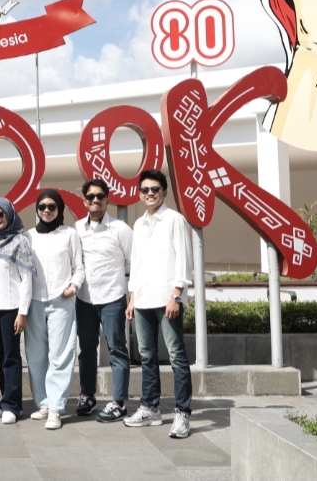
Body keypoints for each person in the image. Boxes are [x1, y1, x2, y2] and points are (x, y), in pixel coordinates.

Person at [125, 169, 194, 439]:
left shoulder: (175, 219)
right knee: (146, 356)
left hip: (167, 299)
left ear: (164, 192)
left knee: (176, 356)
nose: (150, 193)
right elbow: (136, 263)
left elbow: (184, 259)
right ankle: (150, 407)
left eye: (155, 189)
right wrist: (132, 298)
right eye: (145, 190)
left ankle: (182, 413)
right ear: (140, 194)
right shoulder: (138, 224)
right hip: (142, 299)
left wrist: (176, 294)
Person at [74, 178, 133, 422]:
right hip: (84, 299)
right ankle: (87, 395)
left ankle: (118, 403)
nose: (95, 200)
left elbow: (134, 264)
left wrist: (132, 297)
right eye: (91, 197)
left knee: (117, 349)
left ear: (107, 200)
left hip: (113, 298)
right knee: (86, 350)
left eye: (100, 196)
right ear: (85, 201)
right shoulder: (77, 229)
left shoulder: (120, 229)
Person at [25, 189, 84, 430]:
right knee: (36, 355)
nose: (46, 210)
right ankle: (44, 403)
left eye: (51, 206)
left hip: (61, 301)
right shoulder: (28, 236)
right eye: (42, 207)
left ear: (59, 208)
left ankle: (56, 408)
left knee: (60, 355)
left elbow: (79, 268)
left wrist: (73, 287)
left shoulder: (69, 234)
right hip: (34, 301)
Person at [0, 197, 33, 425]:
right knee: (1, 355)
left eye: (0, 214)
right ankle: (5, 400)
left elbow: (26, 280)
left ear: (9, 215)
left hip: (11, 307)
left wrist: (22, 312)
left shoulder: (20, 242)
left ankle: (13, 404)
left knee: (11, 356)